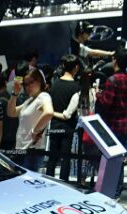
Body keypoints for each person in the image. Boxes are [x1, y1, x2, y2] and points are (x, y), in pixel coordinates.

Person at [95, 47, 127, 198]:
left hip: (112, 125)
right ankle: (118, 189)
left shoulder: (112, 80)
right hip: (126, 125)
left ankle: (109, 189)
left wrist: (98, 94)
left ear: (115, 61)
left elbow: (106, 103)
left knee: (108, 158)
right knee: (119, 158)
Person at [45, 54, 82, 182]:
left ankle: (48, 182)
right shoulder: (76, 87)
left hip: (54, 125)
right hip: (68, 127)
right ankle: (64, 184)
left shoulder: (55, 84)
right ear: (76, 67)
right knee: (65, 159)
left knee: (52, 158)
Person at [8, 68, 53, 171]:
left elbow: (49, 112)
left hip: (32, 150)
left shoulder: (43, 96)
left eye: (31, 82)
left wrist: (34, 130)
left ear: (39, 81)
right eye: (26, 84)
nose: (28, 86)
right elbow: (11, 112)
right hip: (22, 148)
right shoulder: (30, 100)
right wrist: (15, 93)